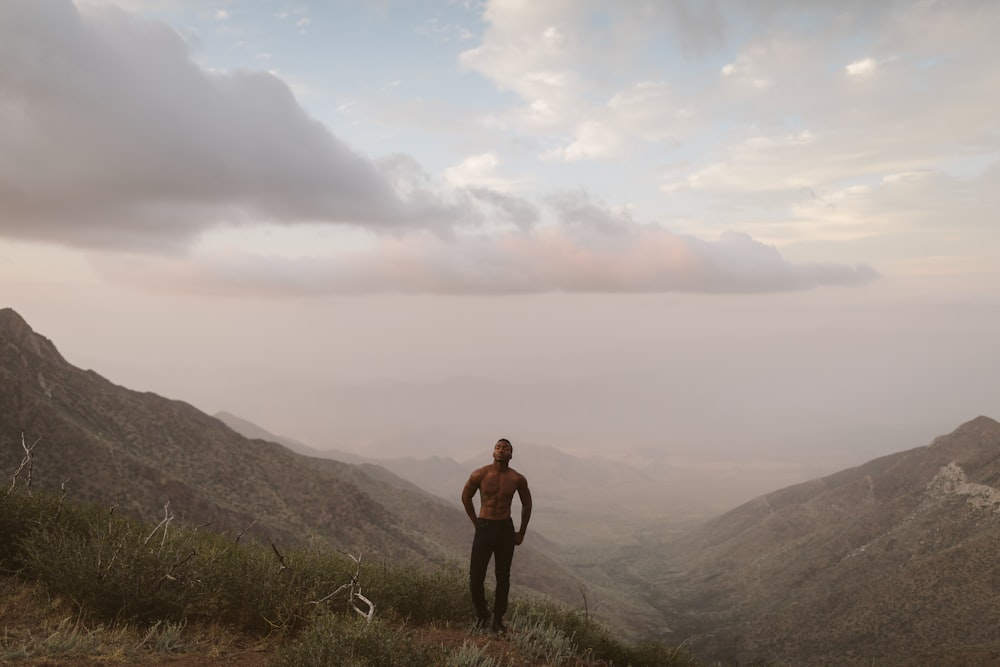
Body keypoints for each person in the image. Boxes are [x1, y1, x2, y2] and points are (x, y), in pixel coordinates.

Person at [461, 438, 532, 634]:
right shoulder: (480, 474)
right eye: (498, 448)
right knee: (476, 577)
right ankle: (482, 613)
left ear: (511, 455)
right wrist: (476, 522)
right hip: (484, 526)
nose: (501, 451)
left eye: (505, 449)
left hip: (505, 530)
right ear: (493, 452)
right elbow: (466, 496)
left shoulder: (517, 479)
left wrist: (521, 532)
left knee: (503, 577)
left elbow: (527, 504)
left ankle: (498, 619)